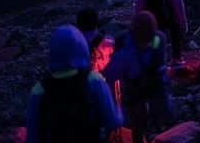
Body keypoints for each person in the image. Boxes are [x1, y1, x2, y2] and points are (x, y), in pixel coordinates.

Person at [26, 25, 122, 143]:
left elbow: (33, 137)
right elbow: (113, 122)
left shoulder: (38, 90)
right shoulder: (93, 80)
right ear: (82, 48)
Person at [104, 12, 172, 143]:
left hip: (154, 82)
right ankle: (140, 137)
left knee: (166, 115)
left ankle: (167, 130)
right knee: (138, 120)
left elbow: (160, 63)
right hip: (133, 86)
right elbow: (114, 72)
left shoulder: (158, 38)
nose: (145, 43)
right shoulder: (123, 42)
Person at [76, 8, 115, 74]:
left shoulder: (73, 46)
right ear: (97, 23)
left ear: (78, 25)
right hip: (104, 81)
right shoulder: (108, 42)